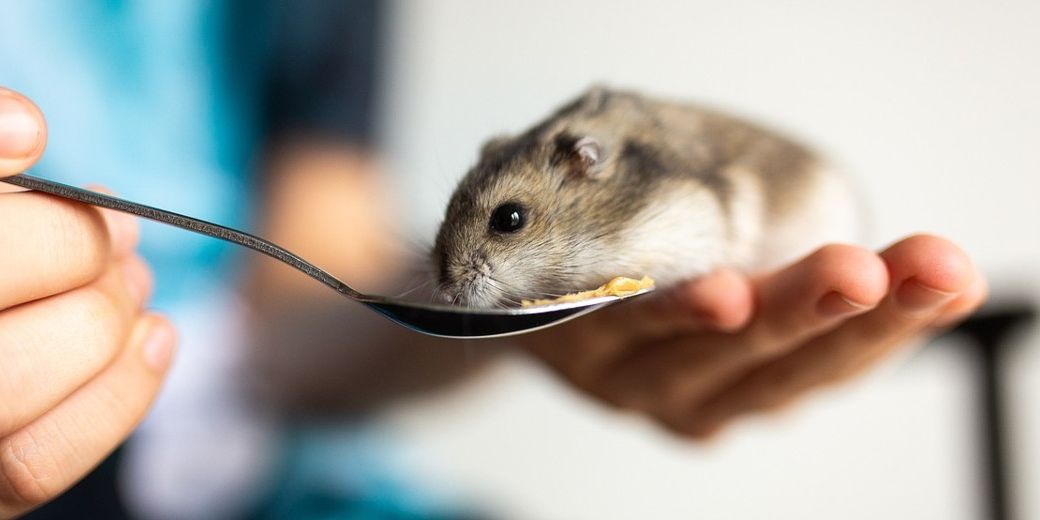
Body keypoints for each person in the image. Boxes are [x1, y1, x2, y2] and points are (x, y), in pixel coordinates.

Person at [0, 3, 987, 518]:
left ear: (584, 171)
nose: (463, 268)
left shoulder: (632, 183)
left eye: (506, 225)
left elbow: (302, 288)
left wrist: (529, 332)